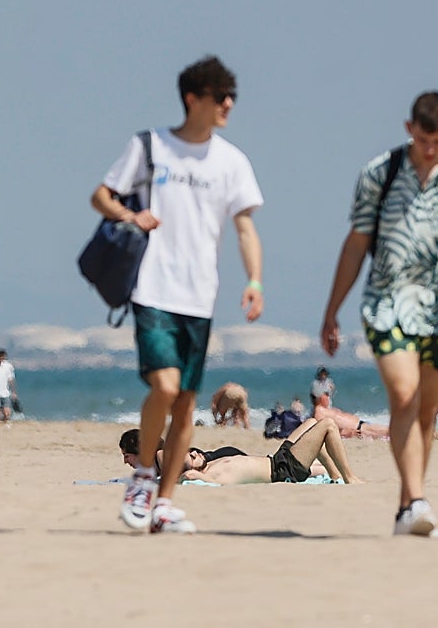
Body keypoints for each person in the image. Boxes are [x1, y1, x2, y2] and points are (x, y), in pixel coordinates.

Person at [320, 91, 438, 538]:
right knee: (403, 398)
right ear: (409, 129)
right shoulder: (380, 174)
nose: (430, 150)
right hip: (387, 305)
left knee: (424, 413)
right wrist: (332, 312)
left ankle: (408, 505)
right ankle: (417, 500)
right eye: (423, 139)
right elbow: (356, 244)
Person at [91, 55, 264, 535]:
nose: (229, 104)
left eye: (232, 96)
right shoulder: (150, 147)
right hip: (152, 288)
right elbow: (102, 195)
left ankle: (164, 504)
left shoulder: (232, 161)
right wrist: (130, 217)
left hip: (200, 296)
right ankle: (144, 477)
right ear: (194, 99)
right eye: (219, 96)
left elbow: (245, 226)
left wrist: (254, 281)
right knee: (164, 387)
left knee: (185, 402)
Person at [179, 417, 364, 485]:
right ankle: (350, 478)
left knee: (312, 422)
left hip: (277, 458)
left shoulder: (211, 462)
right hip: (282, 470)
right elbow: (192, 477)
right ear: (190, 469)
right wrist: (187, 475)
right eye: (191, 457)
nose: (195, 453)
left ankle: (334, 474)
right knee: (328, 425)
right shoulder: (211, 474)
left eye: (192, 451)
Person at [312, 393, 390, 440]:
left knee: (387, 431)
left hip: (360, 426)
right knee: (388, 431)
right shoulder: (319, 412)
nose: (328, 397)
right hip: (359, 430)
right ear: (319, 398)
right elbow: (325, 430)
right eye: (325, 395)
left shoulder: (325, 409)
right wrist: (346, 433)